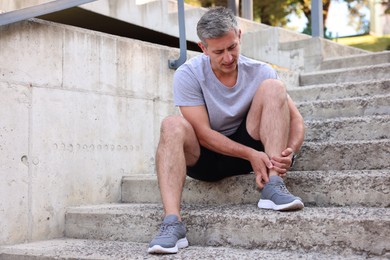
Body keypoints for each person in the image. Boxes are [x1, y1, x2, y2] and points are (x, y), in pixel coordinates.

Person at [147, 6, 305, 254]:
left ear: (239, 36)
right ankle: (172, 223)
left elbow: (296, 122)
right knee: (171, 124)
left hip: (254, 147)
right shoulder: (188, 74)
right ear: (203, 48)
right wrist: (251, 155)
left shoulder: (260, 71)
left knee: (274, 86)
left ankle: (273, 185)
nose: (228, 57)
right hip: (207, 159)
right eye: (218, 51)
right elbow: (203, 134)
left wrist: (290, 152)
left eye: (232, 47)